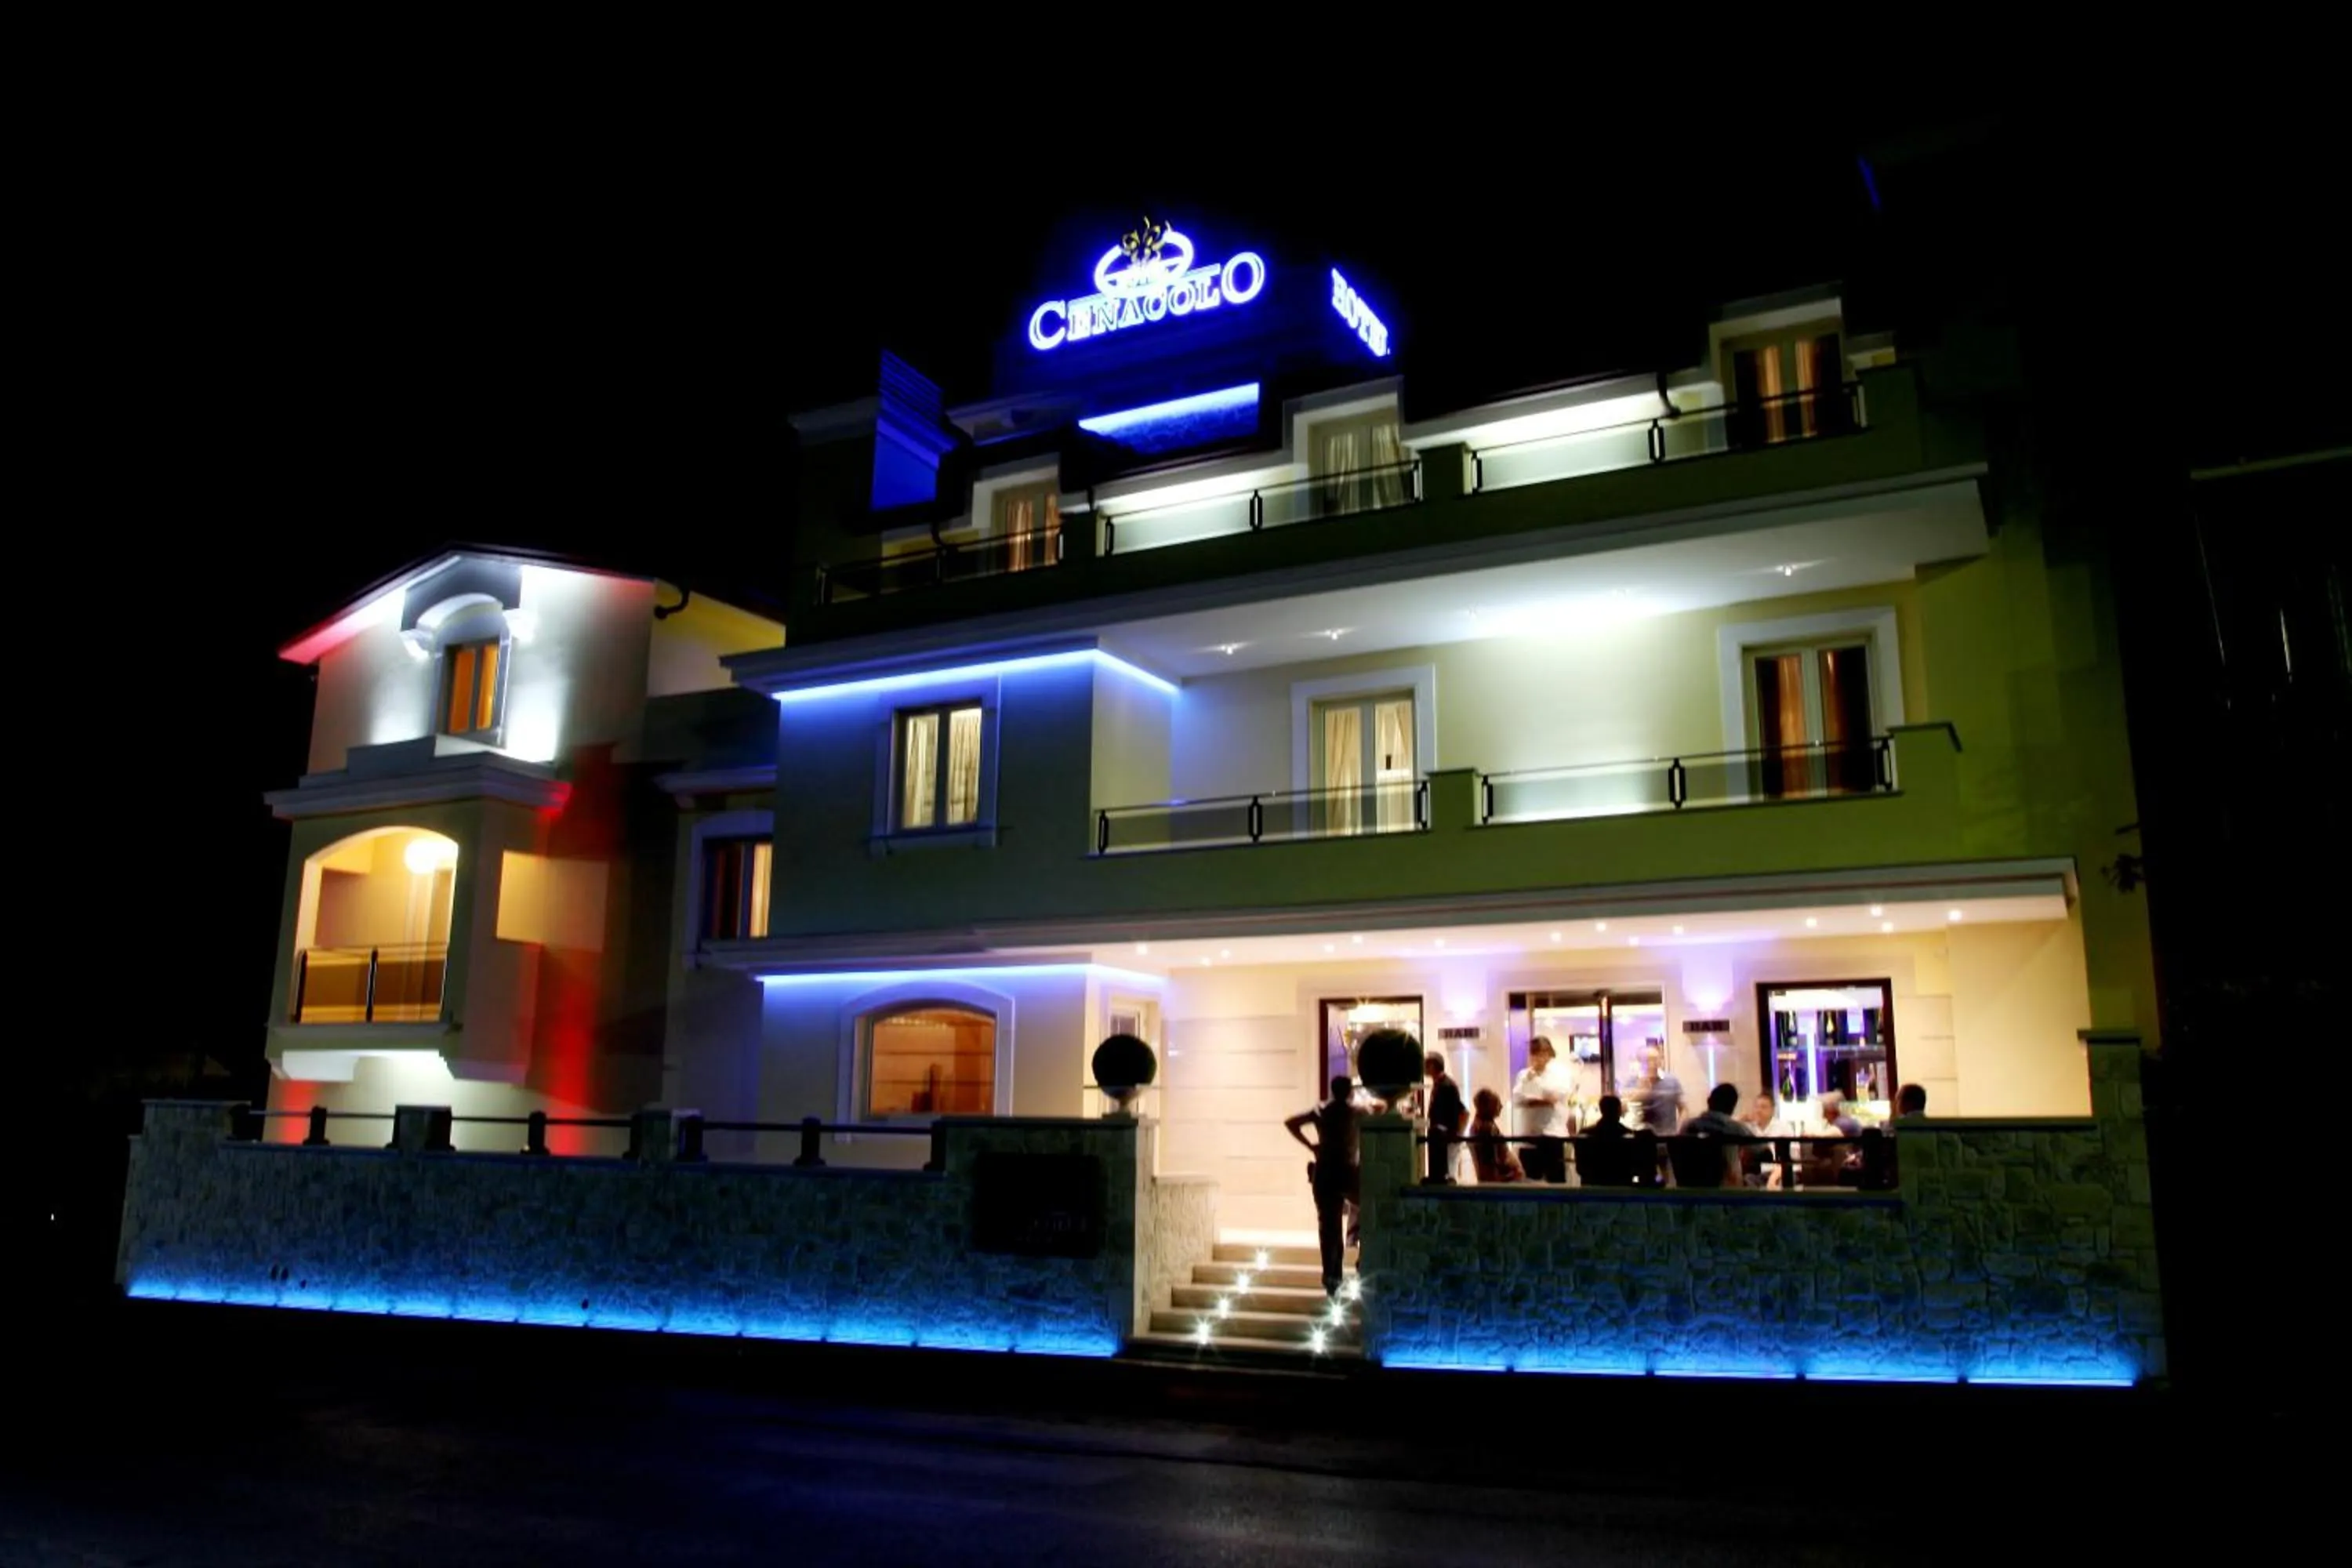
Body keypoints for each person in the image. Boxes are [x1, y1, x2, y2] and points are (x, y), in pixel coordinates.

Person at [1284, 1076, 1361, 1296]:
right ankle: (1357, 1265)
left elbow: (1291, 1123)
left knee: (1329, 1228)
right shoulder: (1356, 1111)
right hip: (1348, 1171)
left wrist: (1311, 1146)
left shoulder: (1321, 1110)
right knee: (1365, 1215)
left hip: (1326, 1171)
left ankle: (1332, 1280)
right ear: (1349, 1091)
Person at [1512, 1036, 1571, 1183]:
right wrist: (1539, 1099)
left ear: (1549, 1053)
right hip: (1528, 1136)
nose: (1537, 1058)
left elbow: (1553, 1097)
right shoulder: (1524, 1076)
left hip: (1553, 1134)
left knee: (1556, 1182)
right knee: (1529, 1183)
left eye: (1541, 1053)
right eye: (1534, 1053)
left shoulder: (1560, 1074)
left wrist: (1535, 1087)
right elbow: (1518, 1099)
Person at [1677, 1083, 1754, 1188]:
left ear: (1709, 1101)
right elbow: (1763, 1150)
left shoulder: (1687, 1126)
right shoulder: (1735, 1129)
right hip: (1727, 1190)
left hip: (1689, 1190)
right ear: (1733, 1107)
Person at [1422, 1051, 1467, 1184]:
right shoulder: (1441, 1084)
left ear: (1433, 1066)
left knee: (1448, 1172)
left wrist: (1454, 1135)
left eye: (1426, 1065)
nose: (1424, 1069)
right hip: (1442, 1138)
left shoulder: (1446, 1086)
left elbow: (1458, 1111)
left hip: (1446, 1138)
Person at [1467, 1087, 1523, 1183]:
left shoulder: (1480, 1126)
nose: (1501, 1106)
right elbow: (1490, 1170)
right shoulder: (1486, 1129)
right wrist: (1514, 1174)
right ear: (1487, 1106)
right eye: (1497, 1103)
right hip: (1503, 1184)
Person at [1632, 1045, 1684, 1136]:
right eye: (1649, 1059)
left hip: (1667, 1135)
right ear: (1641, 1061)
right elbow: (1621, 1109)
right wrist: (1638, 1095)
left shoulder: (1672, 1081)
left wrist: (1679, 1131)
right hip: (1639, 1137)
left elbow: (1684, 1109)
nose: (1654, 1062)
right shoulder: (1632, 1082)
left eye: (1657, 1058)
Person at [1744, 1092, 1792, 1189]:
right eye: (1756, 1107)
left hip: (1780, 1172)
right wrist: (1741, 1119)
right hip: (1757, 1174)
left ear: (1772, 1110)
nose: (1759, 1110)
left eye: (1763, 1107)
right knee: (1747, 1179)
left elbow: (1789, 1159)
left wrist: (1774, 1177)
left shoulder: (1783, 1127)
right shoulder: (1748, 1128)